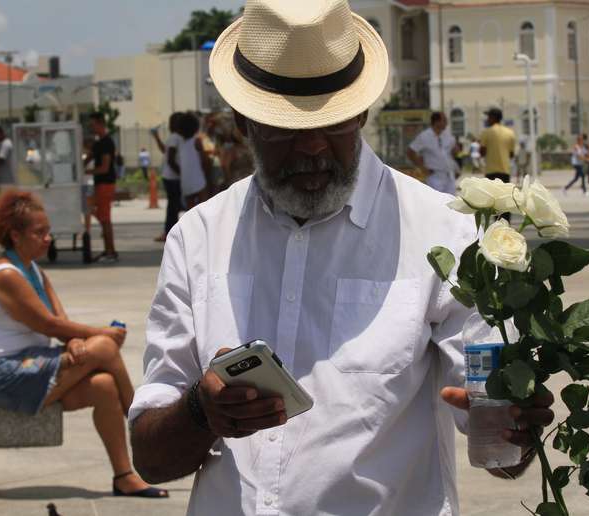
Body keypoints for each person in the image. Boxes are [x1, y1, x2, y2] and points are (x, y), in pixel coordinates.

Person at [128, 2, 555, 514]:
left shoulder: (445, 233)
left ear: (361, 113)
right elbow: (151, 458)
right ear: (242, 123)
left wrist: (511, 417)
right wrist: (201, 410)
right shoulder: (197, 237)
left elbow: (502, 454)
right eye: (284, 128)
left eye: (333, 125)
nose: (312, 147)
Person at [0, 190, 168, 498]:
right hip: (5, 375)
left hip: (37, 364)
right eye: (40, 233)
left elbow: (61, 321)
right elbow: (47, 325)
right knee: (104, 347)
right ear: (15, 235)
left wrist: (78, 342)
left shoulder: (33, 269)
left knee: (104, 386)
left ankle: (124, 476)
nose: (48, 238)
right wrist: (100, 334)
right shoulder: (4, 275)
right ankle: (144, 425)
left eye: (47, 231)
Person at [85, 112, 118, 263]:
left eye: (92, 124)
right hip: (100, 184)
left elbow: (104, 167)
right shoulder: (99, 143)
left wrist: (86, 171)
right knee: (96, 212)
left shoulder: (106, 143)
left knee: (105, 218)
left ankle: (110, 251)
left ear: (100, 124)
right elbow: (90, 157)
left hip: (105, 184)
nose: (91, 127)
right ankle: (108, 248)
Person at [152, 113, 185, 242]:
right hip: (173, 177)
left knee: (173, 206)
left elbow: (167, 154)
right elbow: (170, 157)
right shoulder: (176, 138)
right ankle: (170, 232)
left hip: (170, 177)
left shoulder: (174, 137)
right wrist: (182, 173)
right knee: (173, 207)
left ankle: (170, 231)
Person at [406, 111, 458, 194]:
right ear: (436, 122)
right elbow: (410, 151)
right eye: (444, 120)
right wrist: (422, 167)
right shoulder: (424, 136)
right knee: (437, 202)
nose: (446, 123)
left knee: (452, 202)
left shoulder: (447, 135)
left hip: (449, 175)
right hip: (435, 176)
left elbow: (452, 153)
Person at [480, 107, 517, 221]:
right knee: (505, 200)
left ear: (493, 118)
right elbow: (511, 154)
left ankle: (496, 225)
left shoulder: (486, 132)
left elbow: (482, 152)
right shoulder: (510, 133)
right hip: (504, 171)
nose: (487, 119)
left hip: (491, 171)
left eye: (489, 117)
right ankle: (506, 224)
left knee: (493, 201)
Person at [178, 112, 209, 210]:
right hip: (199, 180)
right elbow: (204, 160)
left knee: (190, 210)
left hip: (186, 182)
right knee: (204, 207)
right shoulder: (197, 141)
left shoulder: (181, 144)